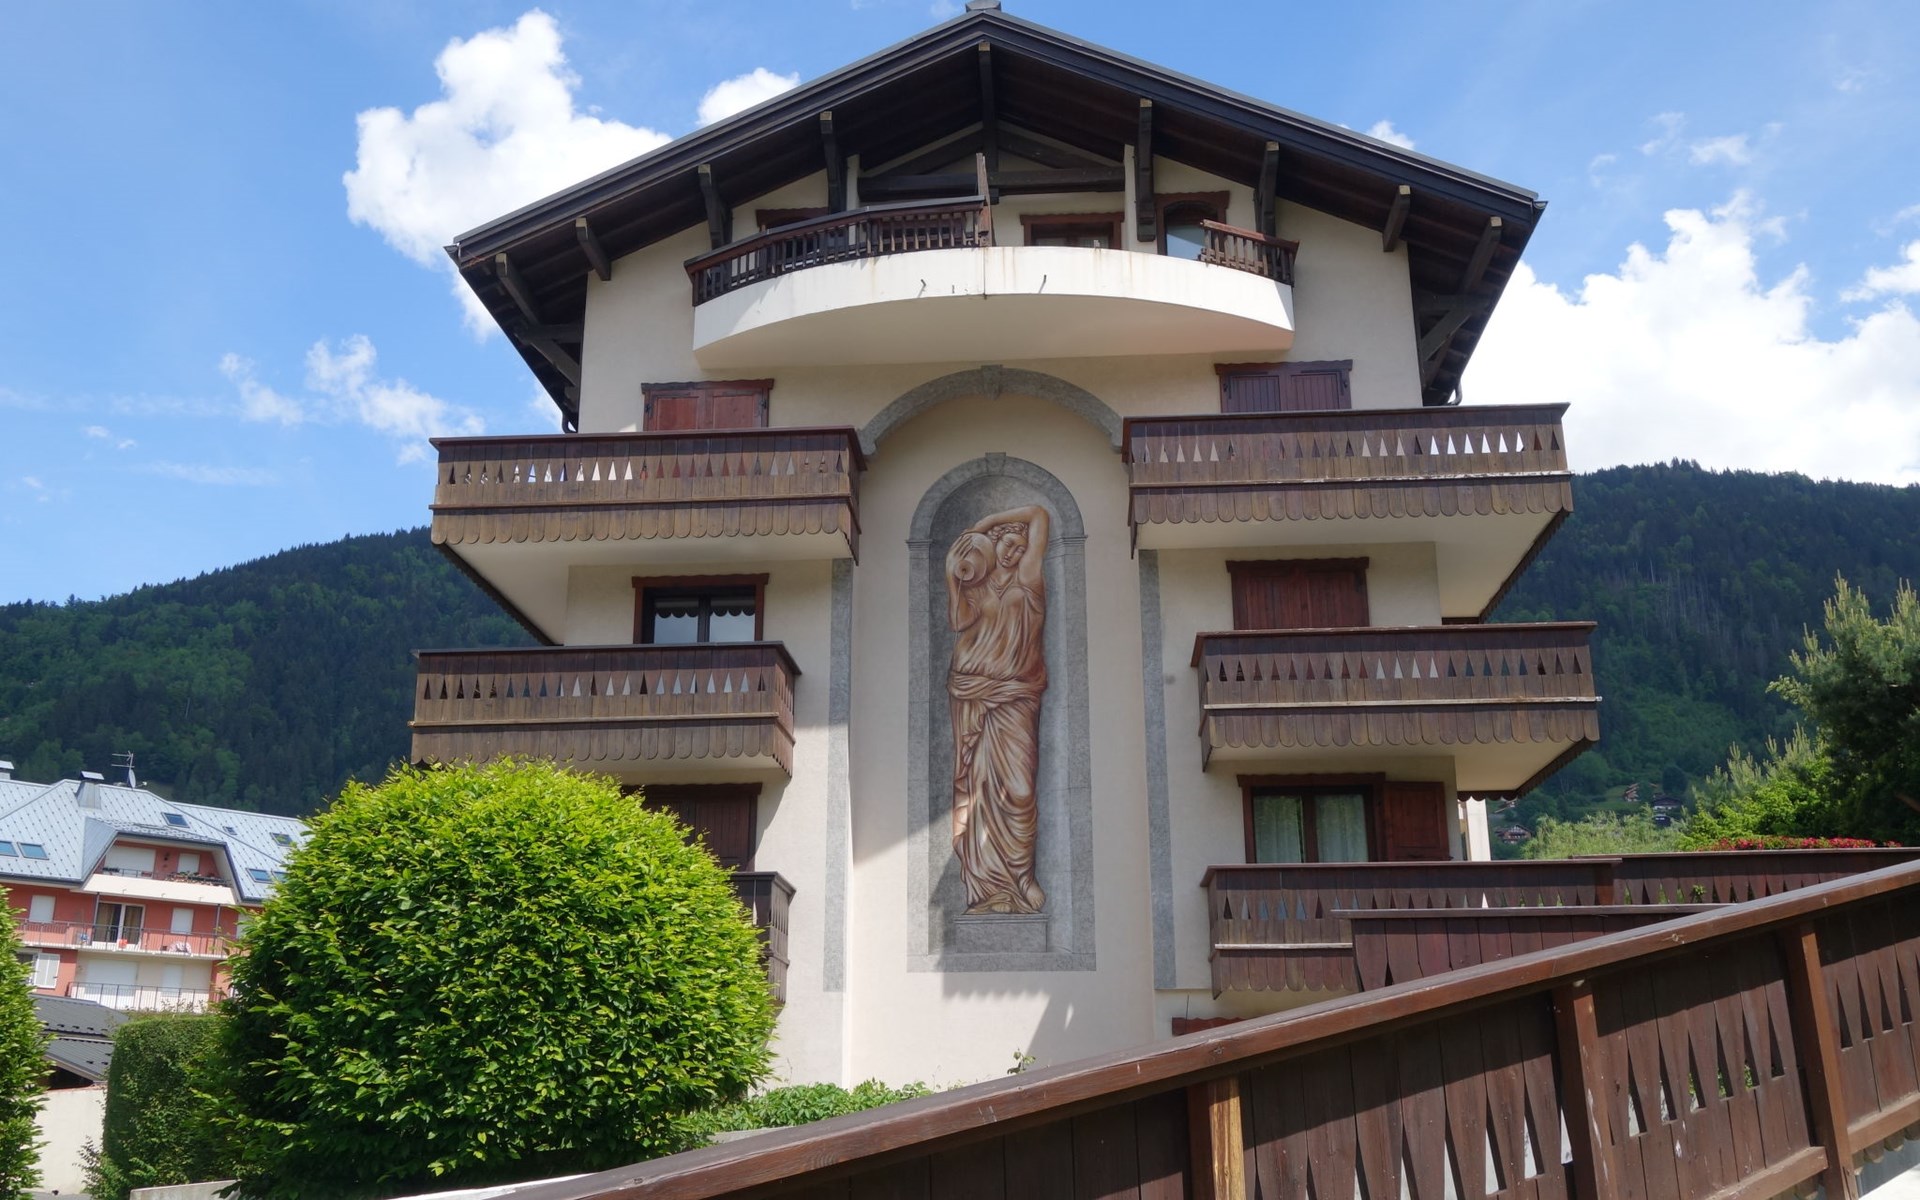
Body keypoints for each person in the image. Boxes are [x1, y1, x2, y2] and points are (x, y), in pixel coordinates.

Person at [944, 503, 1050, 914]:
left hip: (1017, 695)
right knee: (978, 787)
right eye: (1008, 544)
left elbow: (1039, 514)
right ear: (994, 547)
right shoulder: (977, 587)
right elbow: (957, 623)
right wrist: (953, 578)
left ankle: (1022, 875)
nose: (1014, 552)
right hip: (971, 693)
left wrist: (985, 522)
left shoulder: (1029, 580)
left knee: (1020, 790)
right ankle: (988, 887)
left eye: (1020, 547)